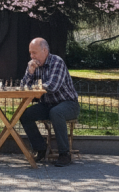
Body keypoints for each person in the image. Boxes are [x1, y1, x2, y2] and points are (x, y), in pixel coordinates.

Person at [19, 37, 80, 167]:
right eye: (30, 53)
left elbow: (53, 86)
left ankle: (64, 154)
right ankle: (40, 148)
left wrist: (34, 86)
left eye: (34, 53)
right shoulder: (33, 65)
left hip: (68, 103)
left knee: (56, 112)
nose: (32, 56)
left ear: (44, 50)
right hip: (48, 104)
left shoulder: (57, 62)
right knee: (25, 115)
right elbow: (23, 87)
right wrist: (30, 73)